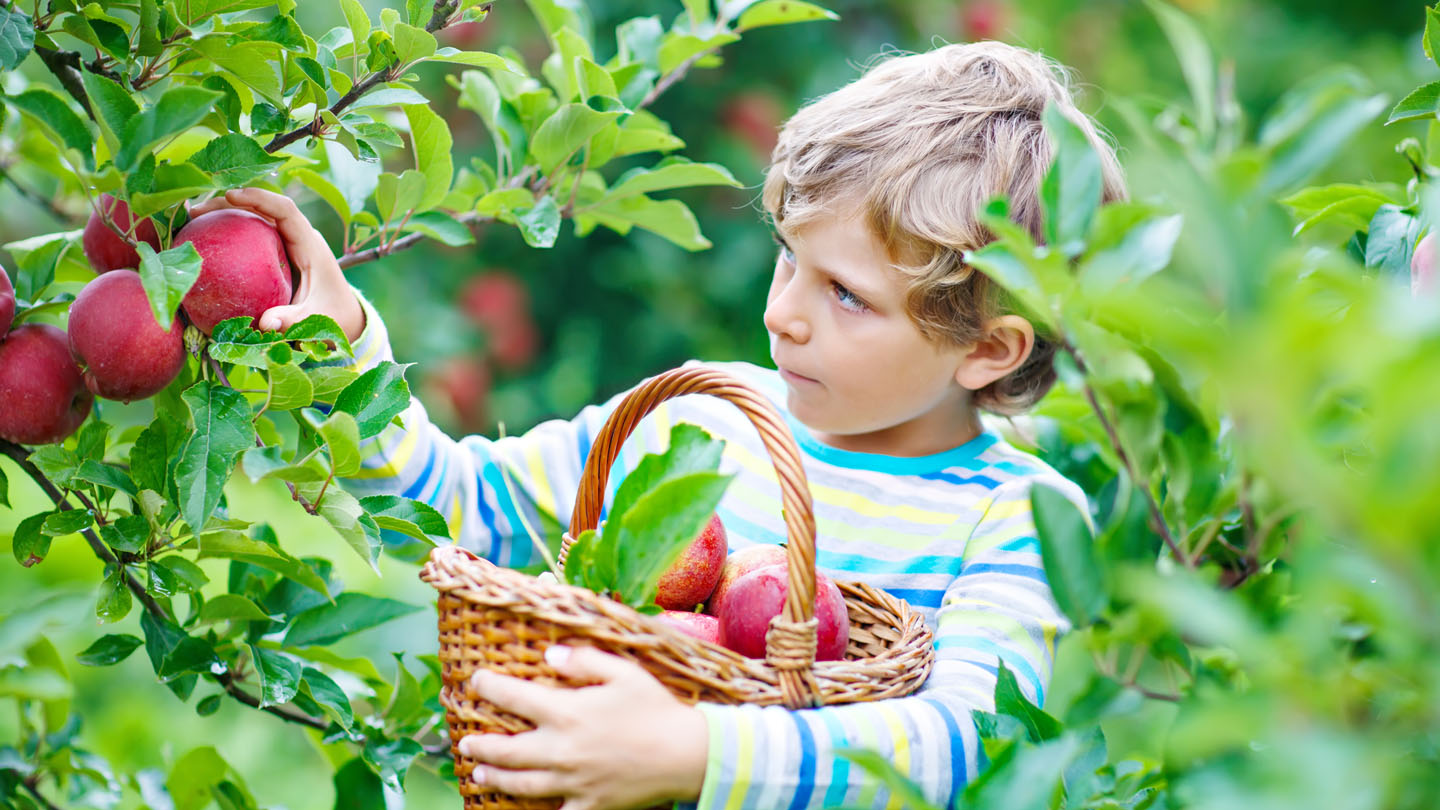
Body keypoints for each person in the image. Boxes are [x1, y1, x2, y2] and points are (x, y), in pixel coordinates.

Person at [195, 39, 1126, 810]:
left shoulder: (1015, 517)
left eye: (846, 294)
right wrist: (341, 346)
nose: (784, 314)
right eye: (789, 261)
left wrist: (698, 753)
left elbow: (964, 743)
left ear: (989, 351)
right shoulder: (698, 431)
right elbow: (457, 510)